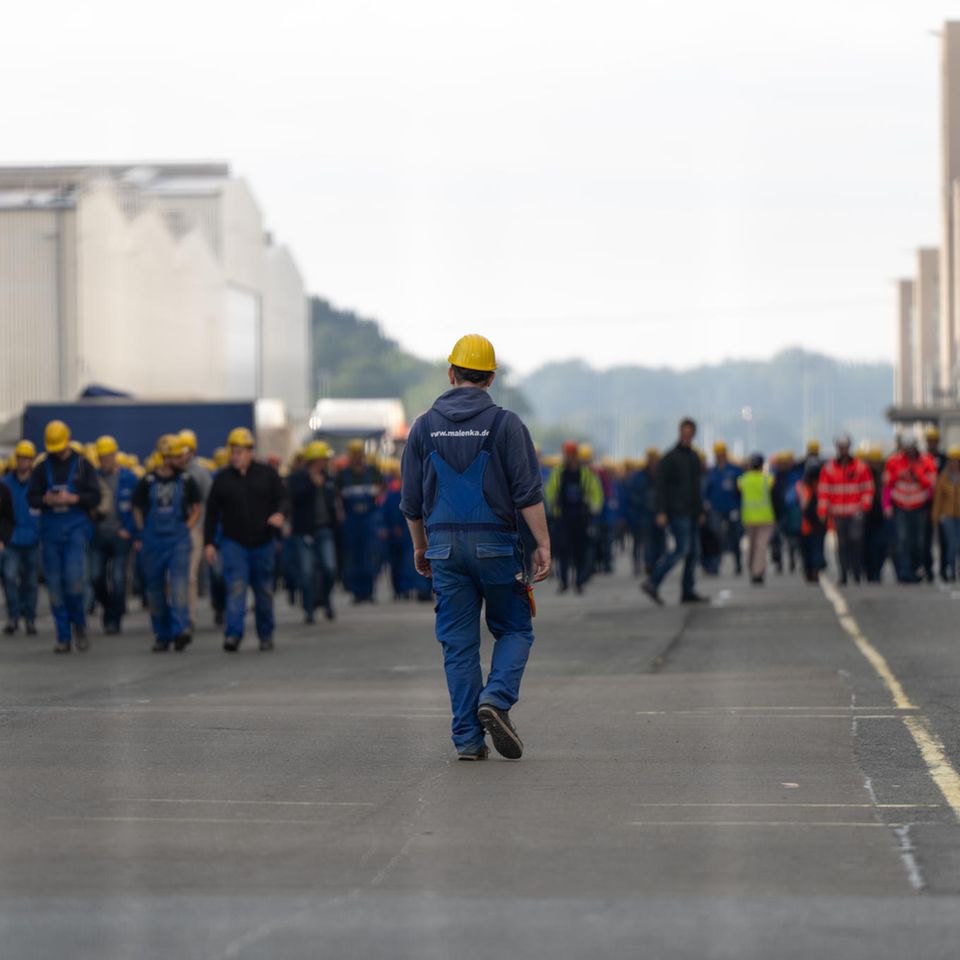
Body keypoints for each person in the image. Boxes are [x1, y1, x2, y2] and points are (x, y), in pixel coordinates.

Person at [401, 333, 550, 761]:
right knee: (515, 628)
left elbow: (411, 502)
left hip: (444, 548)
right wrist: (543, 543)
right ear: (490, 378)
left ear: (451, 373)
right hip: (497, 546)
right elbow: (527, 493)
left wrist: (420, 548)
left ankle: (468, 739)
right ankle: (496, 699)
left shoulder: (423, 426)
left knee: (459, 645)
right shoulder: (506, 424)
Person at [204, 427, 285, 652]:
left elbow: (283, 499)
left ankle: (266, 633)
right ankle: (233, 634)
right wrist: (209, 543)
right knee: (236, 588)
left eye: (240, 452)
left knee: (264, 591)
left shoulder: (267, 474)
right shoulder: (222, 479)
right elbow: (211, 512)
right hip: (234, 543)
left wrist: (280, 514)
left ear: (251, 452)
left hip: (263, 542)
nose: (235, 456)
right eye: (233, 451)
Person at [28, 420, 102, 653]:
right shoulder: (41, 468)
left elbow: (96, 496)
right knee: (54, 587)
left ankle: (79, 626)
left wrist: (75, 499)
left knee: (74, 583)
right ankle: (63, 636)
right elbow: (32, 498)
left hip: (75, 531)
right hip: (50, 533)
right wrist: (46, 500)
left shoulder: (83, 465)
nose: (57, 451)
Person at [133, 435, 201, 652]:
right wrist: (143, 531)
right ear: (164, 457)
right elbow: (137, 507)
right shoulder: (147, 481)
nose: (180, 460)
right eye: (175, 456)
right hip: (153, 542)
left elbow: (196, 506)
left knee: (179, 585)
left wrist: (187, 527)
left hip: (178, 541)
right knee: (155, 590)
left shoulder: (187, 480)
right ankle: (162, 634)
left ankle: (181, 629)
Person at [641, 418, 707, 606]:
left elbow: (696, 488)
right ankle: (653, 581)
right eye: (684, 433)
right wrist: (661, 511)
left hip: (692, 512)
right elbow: (660, 487)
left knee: (693, 553)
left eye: (690, 434)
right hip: (677, 513)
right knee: (681, 550)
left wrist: (700, 510)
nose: (687, 437)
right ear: (680, 433)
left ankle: (687, 590)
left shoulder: (694, 458)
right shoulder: (669, 458)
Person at [89, 435, 138, 635]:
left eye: (107, 456)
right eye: (101, 457)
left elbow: (139, 507)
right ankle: (108, 605)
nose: (104, 461)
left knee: (118, 579)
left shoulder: (129, 478)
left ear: (115, 455)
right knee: (95, 576)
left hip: (120, 536)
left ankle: (113, 619)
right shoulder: (93, 479)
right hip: (98, 535)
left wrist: (131, 530)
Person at [287, 440, 340, 622]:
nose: (326, 462)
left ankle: (325, 600)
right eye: (323, 459)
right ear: (314, 460)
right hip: (304, 532)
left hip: (325, 530)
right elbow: (293, 500)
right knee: (307, 573)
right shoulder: (297, 478)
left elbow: (333, 502)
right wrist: (312, 484)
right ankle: (309, 609)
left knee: (330, 569)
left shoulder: (329, 478)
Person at [544, 441, 603, 593]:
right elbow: (549, 491)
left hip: (581, 518)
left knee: (580, 552)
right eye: (567, 454)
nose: (569, 457)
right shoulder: (558, 472)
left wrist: (594, 508)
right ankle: (564, 581)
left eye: (572, 454)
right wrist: (552, 506)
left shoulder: (586, 473)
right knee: (563, 551)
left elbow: (596, 492)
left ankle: (579, 581)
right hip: (562, 518)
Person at [817, 434, 874, 586]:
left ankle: (856, 572)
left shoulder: (860, 467)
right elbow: (823, 491)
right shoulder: (829, 469)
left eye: (845, 448)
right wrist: (823, 511)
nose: (843, 451)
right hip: (838, 513)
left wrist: (864, 506)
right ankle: (843, 573)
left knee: (856, 541)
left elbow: (868, 488)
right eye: (840, 448)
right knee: (842, 544)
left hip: (855, 512)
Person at [883, 435, 936, 584]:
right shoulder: (894, 461)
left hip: (919, 507)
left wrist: (917, 474)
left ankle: (917, 569)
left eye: (911, 449)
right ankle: (905, 572)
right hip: (901, 507)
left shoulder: (926, 461)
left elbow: (931, 484)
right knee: (903, 540)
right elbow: (887, 484)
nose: (909, 453)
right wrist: (887, 505)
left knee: (919, 541)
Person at [337, 439, 384, 603]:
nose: (357, 457)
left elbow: (382, 491)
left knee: (370, 555)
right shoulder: (343, 475)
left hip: (369, 518)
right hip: (351, 519)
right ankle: (357, 592)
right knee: (353, 556)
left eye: (359, 453)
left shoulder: (373, 472)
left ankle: (369, 591)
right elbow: (337, 498)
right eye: (354, 454)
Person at [2, 441, 39, 635]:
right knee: (9, 577)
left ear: (32, 460)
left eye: (26, 458)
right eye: (19, 458)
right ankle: (13, 616)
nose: (22, 462)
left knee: (30, 581)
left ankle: (30, 619)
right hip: (11, 540)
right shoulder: (5, 483)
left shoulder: (38, 484)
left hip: (33, 540)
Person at [179, 428, 213, 628]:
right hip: (175, 531)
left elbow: (209, 502)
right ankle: (178, 611)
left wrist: (202, 528)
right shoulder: (174, 473)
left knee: (190, 575)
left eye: (185, 451)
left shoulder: (199, 473)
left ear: (192, 451)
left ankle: (189, 616)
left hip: (194, 530)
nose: (182, 455)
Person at [702, 441, 743, 575]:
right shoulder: (712, 472)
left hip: (733, 508)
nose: (720, 456)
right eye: (717, 454)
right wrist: (706, 502)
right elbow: (706, 490)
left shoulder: (735, 470)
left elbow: (741, 490)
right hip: (716, 509)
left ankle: (738, 563)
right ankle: (715, 565)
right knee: (716, 537)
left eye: (722, 453)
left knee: (735, 537)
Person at [738, 453, 775, 584]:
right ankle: (757, 572)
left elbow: (738, 491)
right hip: (765, 517)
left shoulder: (743, 479)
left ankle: (752, 568)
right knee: (761, 546)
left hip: (748, 518)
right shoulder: (768, 479)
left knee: (752, 546)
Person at [932, 446, 960, 581]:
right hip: (947, 516)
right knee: (952, 544)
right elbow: (938, 499)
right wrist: (936, 517)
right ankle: (951, 571)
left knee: (958, 544)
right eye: (952, 460)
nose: (955, 463)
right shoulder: (944, 477)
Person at [797, 459, 827, 583]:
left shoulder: (819, 485)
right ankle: (812, 570)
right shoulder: (805, 485)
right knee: (812, 548)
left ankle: (813, 569)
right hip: (810, 522)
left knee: (811, 548)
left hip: (815, 522)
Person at [862, 448, 889, 583]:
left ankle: (877, 571)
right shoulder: (864, 474)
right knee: (867, 547)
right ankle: (870, 572)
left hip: (882, 516)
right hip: (867, 516)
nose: (875, 464)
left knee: (881, 547)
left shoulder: (885, 475)